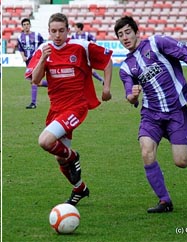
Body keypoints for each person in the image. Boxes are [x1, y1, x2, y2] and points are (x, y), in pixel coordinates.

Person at [114, 16, 187, 213]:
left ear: (136, 32)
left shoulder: (157, 43)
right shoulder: (125, 67)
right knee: (146, 151)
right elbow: (129, 96)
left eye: (127, 32)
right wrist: (132, 96)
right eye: (120, 35)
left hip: (176, 109)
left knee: (181, 162)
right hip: (151, 115)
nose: (124, 37)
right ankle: (164, 201)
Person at [26, 13, 113, 206]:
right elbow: (35, 80)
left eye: (61, 31)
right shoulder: (43, 50)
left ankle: (74, 156)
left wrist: (106, 88)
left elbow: (107, 60)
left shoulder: (81, 47)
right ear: (48, 32)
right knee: (60, 157)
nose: (57, 35)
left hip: (76, 106)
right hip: (56, 109)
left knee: (45, 141)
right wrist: (43, 60)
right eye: (54, 31)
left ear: (68, 31)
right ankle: (80, 188)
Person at [17, 18, 47, 109]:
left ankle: (33, 103)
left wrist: (42, 57)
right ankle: (55, 85)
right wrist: (23, 56)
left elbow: (44, 45)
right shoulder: (20, 37)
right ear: (22, 26)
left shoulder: (37, 35)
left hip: (37, 61)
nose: (26, 26)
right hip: (28, 62)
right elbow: (20, 48)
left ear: (30, 25)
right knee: (34, 82)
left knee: (34, 81)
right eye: (24, 24)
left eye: (27, 24)